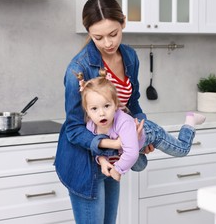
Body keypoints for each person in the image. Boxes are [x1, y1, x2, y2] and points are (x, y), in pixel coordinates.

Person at [54, 0, 201, 224]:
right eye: (98, 37)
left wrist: (140, 131)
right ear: (88, 33)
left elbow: (133, 104)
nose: (108, 43)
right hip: (85, 162)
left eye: (113, 34)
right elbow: (73, 129)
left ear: (123, 22)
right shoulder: (79, 69)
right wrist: (112, 143)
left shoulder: (130, 56)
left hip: (114, 158)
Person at [77, 69, 205, 182]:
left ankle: (190, 120)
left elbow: (131, 154)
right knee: (139, 166)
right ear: (87, 110)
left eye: (106, 106)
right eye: (94, 108)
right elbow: (96, 148)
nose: (101, 113)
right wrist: (103, 161)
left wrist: (117, 169)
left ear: (115, 105)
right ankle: (137, 149)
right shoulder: (91, 126)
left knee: (182, 150)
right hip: (131, 145)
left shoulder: (123, 122)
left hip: (150, 133)